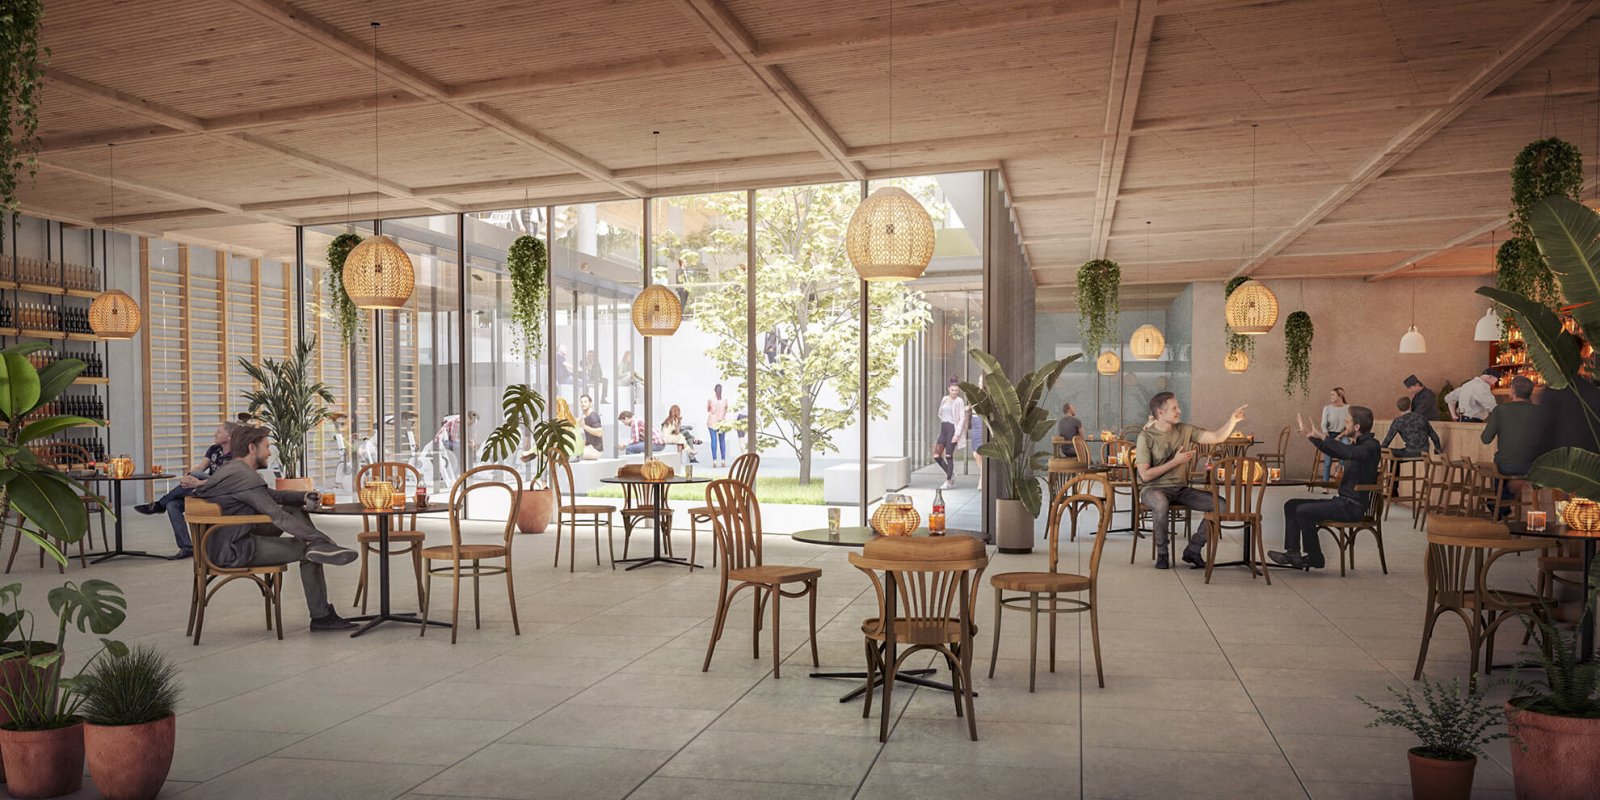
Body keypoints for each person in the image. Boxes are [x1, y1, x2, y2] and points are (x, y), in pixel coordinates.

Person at [192, 426, 359, 631]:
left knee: (294, 510)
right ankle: (321, 616)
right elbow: (277, 515)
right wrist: (320, 536)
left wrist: (302, 497)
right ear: (252, 448)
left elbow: (272, 495)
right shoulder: (244, 477)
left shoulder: (231, 470)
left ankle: (317, 545)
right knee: (310, 553)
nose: (270, 452)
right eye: (267, 447)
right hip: (235, 549)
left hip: (225, 540)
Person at [1135, 393, 1248, 570]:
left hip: (1180, 489)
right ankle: (1162, 553)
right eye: (1174, 408)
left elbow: (1217, 437)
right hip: (1153, 489)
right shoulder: (1145, 437)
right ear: (1160, 412)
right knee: (1161, 503)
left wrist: (1232, 420)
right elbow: (1145, 475)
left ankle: (1193, 549)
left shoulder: (1185, 430)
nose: (1179, 411)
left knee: (1220, 505)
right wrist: (1175, 462)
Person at [1269, 406, 1380, 570]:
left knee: (1303, 511)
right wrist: (1311, 437)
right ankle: (1293, 552)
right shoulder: (1356, 445)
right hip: (1342, 502)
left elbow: (1347, 452)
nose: (1344, 424)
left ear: (1357, 427)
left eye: (1347, 421)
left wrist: (1322, 435)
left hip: (1353, 506)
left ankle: (1315, 557)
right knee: (1291, 505)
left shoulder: (1371, 446)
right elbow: (1337, 451)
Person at [133, 421, 238, 559]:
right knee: (172, 505)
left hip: (222, 491)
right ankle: (187, 547)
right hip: (205, 488)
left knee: (196, 477)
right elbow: (201, 467)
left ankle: (159, 505)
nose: (215, 434)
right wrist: (188, 476)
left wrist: (198, 482)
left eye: (219, 431)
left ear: (229, 435)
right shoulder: (214, 449)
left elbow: (225, 480)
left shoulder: (237, 455)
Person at [1483, 375, 1541, 477]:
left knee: (1503, 488)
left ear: (1513, 390)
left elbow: (1485, 439)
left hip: (1504, 466)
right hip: (1531, 467)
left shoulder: (1500, 410)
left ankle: (1503, 493)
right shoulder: (1540, 411)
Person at [935, 379, 966, 490]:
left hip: (953, 429)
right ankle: (951, 473)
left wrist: (956, 434)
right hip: (944, 428)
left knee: (948, 455)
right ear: (948, 389)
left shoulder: (959, 401)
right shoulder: (945, 399)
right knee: (937, 455)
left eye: (956, 390)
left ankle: (948, 481)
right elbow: (940, 413)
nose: (954, 392)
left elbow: (962, 418)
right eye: (952, 390)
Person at [1318, 388, 1350, 481]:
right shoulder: (1327, 408)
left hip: (1342, 434)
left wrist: (1339, 436)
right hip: (1330, 434)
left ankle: (1340, 471)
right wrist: (1327, 436)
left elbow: (1349, 426)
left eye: (1333, 395)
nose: (1331, 397)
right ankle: (1325, 483)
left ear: (1340, 396)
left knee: (1346, 446)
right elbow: (1323, 424)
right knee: (1327, 461)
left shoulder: (1347, 408)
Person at [706, 384, 730, 468]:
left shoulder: (710, 399)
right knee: (722, 441)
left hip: (712, 422)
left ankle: (714, 461)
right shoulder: (725, 399)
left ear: (714, 390)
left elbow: (708, 409)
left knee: (714, 441)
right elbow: (727, 409)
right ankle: (723, 460)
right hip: (721, 422)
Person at [578, 394, 604, 460]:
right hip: (590, 447)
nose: (583, 404)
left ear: (590, 403)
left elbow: (599, 433)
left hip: (595, 450)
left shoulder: (593, 416)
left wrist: (584, 426)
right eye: (581, 402)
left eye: (585, 402)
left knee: (575, 454)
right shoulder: (585, 416)